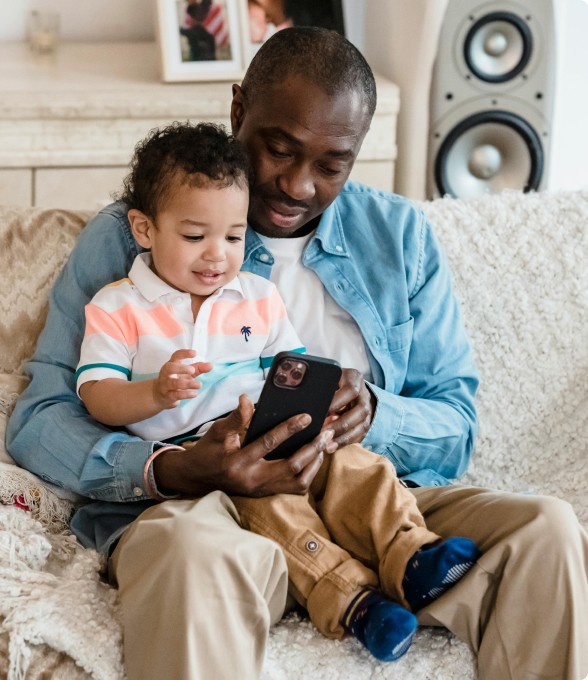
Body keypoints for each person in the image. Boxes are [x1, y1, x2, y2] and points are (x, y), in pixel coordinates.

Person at [6, 26, 588, 680]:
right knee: (193, 552)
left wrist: (375, 412)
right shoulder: (141, 230)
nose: (296, 185)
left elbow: (455, 424)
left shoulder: (399, 237)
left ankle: (386, 578)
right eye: (277, 150)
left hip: (362, 503)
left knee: (546, 530)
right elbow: (40, 419)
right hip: (205, 514)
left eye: (330, 165)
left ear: (356, 152)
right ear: (237, 113)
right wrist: (175, 468)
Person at [75, 120, 480, 663]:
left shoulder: (256, 296)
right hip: (204, 454)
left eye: (235, 237)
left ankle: (412, 553)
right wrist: (154, 393)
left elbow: (290, 368)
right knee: (277, 513)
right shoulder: (118, 306)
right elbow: (96, 394)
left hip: (273, 428)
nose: (217, 256)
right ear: (145, 230)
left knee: (361, 468)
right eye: (195, 237)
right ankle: (353, 602)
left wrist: (322, 402)